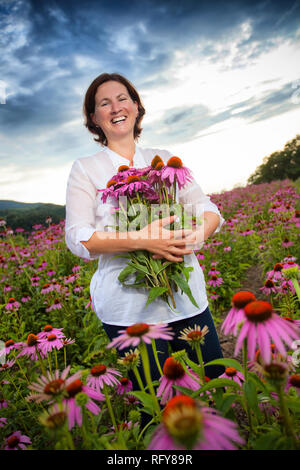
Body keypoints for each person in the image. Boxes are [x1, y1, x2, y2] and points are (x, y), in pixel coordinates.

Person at [65, 72, 225, 396]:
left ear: (136, 107)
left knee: (216, 389)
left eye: (122, 98)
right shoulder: (85, 168)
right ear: (94, 119)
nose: (115, 108)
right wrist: (142, 240)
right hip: (130, 313)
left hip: (187, 301)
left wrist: (195, 236)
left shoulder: (165, 159)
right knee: (159, 404)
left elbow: (208, 209)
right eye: (104, 104)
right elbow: (78, 236)